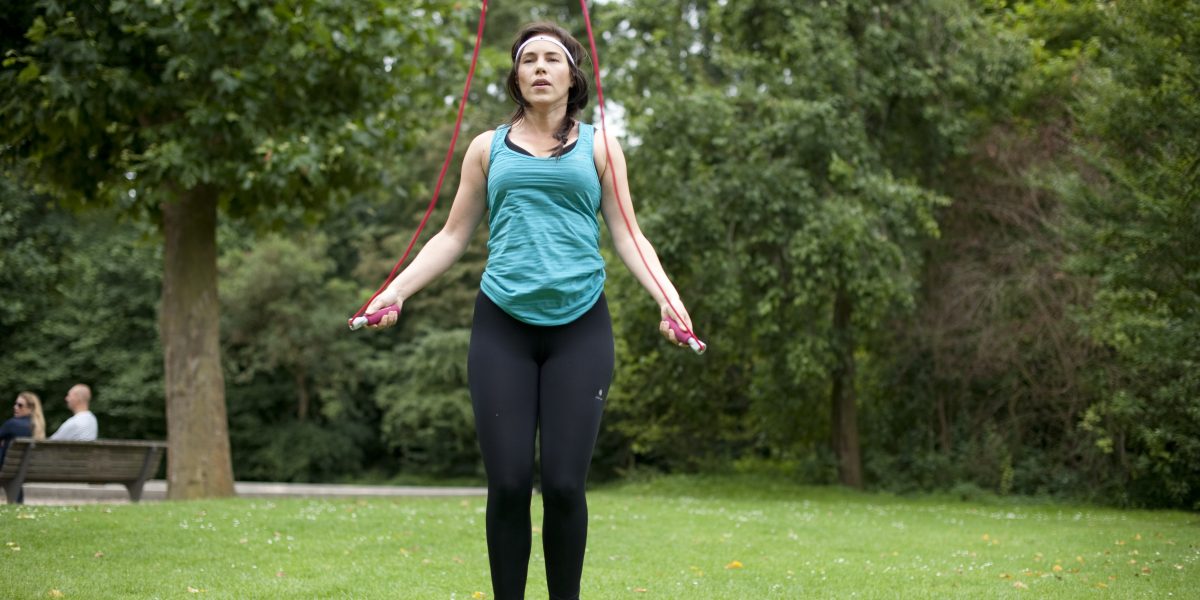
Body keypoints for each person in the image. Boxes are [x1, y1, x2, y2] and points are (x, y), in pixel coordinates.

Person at [364, 22, 696, 600]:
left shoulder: (600, 146)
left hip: (581, 327)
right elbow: (451, 235)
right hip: (502, 327)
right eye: (529, 60)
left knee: (566, 486)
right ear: (517, 77)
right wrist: (395, 290)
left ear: (573, 75)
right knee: (511, 483)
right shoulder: (486, 148)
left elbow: (628, 235)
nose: (541, 67)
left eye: (553, 58)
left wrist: (670, 300)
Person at [1, 391, 46, 467]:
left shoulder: (12, 424)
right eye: (15, 404)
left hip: (6, 473)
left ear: (30, 408)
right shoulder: (38, 428)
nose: (15, 407)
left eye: (20, 405)